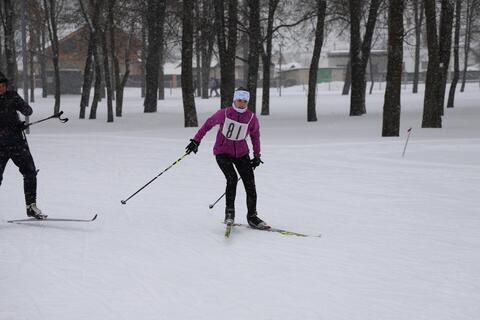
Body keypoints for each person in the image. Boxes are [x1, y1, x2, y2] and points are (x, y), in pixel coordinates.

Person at [185, 87, 268, 229]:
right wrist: (196, 141)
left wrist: (257, 155)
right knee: (232, 178)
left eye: (244, 101)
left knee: (250, 183)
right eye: (239, 100)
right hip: (222, 152)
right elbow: (207, 125)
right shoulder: (224, 113)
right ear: (234, 100)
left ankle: (252, 217)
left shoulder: (251, 118)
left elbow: (255, 137)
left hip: (242, 153)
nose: (241, 103)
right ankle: (229, 214)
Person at [0, 73, 46, 219]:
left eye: (3, 86)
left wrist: (21, 105)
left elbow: (28, 111)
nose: (1, 89)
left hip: (17, 143)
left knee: (30, 172)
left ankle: (31, 206)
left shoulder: (12, 96)